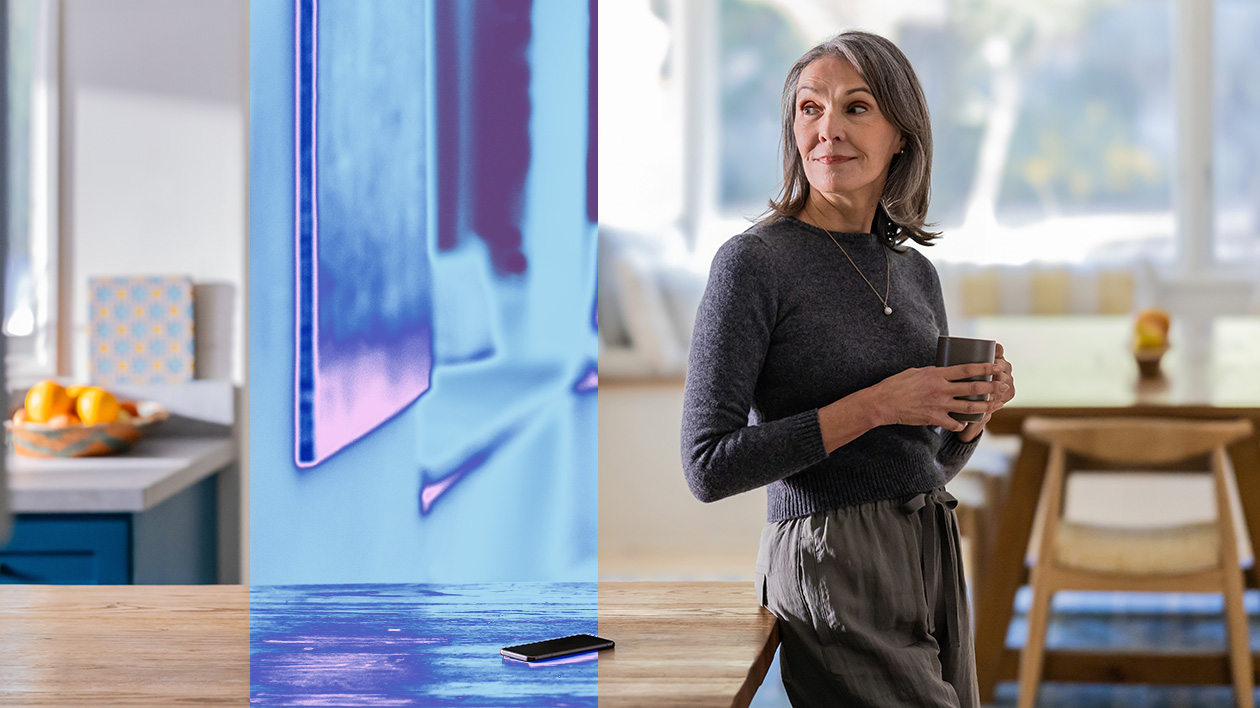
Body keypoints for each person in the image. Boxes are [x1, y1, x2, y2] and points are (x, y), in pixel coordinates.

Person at [680, 30, 1016, 707]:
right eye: (810, 108)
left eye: (855, 107)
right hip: (829, 559)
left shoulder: (915, 273)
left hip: (928, 547)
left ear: (902, 134)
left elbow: (919, 461)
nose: (828, 128)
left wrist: (969, 421)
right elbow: (707, 465)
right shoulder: (753, 264)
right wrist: (880, 403)